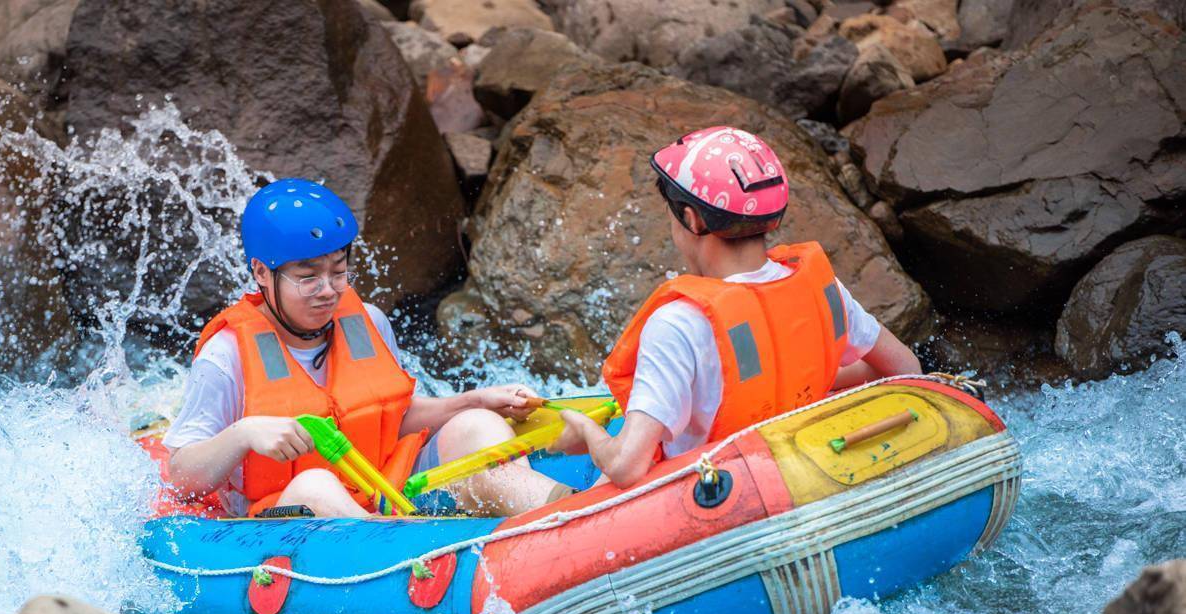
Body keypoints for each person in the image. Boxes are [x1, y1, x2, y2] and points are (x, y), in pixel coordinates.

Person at [163, 178, 572, 518]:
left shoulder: (368, 322)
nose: (329, 290)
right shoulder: (226, 356)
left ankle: (562, 514)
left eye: (338, 272)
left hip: (384, 485)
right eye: (308, 277)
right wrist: (243, 434)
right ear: (261, 273)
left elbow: (394, 417)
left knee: (477, 424)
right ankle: (402, 557)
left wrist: (473, 400)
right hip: (283, 513)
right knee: (315, 485)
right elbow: (180, 479)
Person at [558, 126, 922, 489]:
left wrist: (586, 431)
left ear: (692, 219)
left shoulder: (677, 323)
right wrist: (811, 375)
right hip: (806, 471)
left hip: (714, 495)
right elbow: (906, 368)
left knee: (531, 481)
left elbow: (626, 467)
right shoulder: (825, 291)